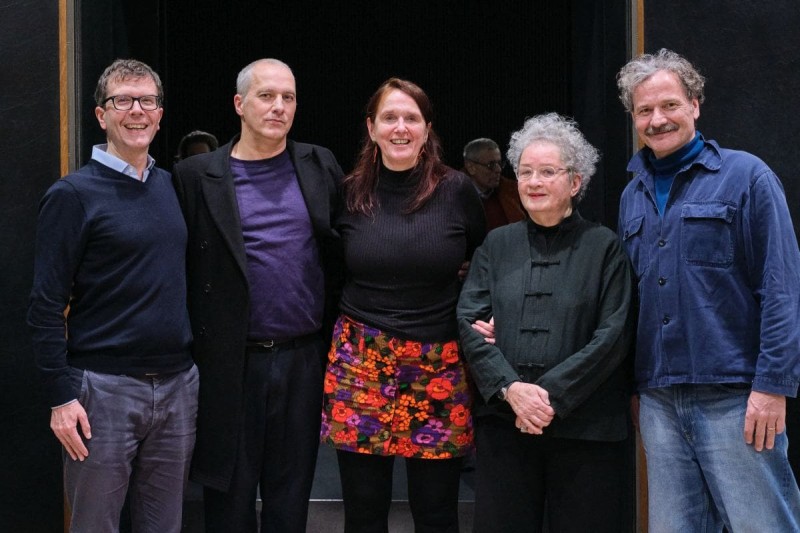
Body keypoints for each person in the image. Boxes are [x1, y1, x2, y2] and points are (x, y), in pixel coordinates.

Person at [616, 48, 800, 531]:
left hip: (737, 398)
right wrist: (636, 388)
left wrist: (772, 387)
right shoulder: (630, 194)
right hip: (658, 401)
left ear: (695, 104)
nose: (658, 119)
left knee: (762, 525)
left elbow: (780, 288)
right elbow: (632, 302)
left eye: (669, 105)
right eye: (644, 110)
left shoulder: (747, 177)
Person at [171, 58, 343, 532]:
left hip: (303, 357)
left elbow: (338, 253)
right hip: (229, 362)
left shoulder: (318, 163)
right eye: (267, 96)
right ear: (239, 104)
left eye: (288, 97)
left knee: (292, 499)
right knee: (229, 501)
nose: (279, 107)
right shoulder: (195, 175)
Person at [27, 59, 198, 532]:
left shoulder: (171, 187)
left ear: (160, 114)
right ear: (101, 115)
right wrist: (61, 398)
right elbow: (43, 307)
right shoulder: (73, 195)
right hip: (102, 391)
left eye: (147, 101)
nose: (136, 111)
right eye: (123, 100)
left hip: (178, 387)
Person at [320, 78, 486, 532]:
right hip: (361, 362)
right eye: (389, 117)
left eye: (411, 118)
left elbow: (484, 261)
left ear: (427, 128)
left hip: (438, 361)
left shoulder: (457, 191)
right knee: (364, 509)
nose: (400, 127)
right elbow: (332, 270)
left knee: (436, 511)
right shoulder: (348, 192)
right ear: (371, 127)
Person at [457, 112, 634, 532]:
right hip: (505, 425)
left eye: (548, 172)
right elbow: (469, 320)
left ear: (575, 182)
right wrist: (511, 390)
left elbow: (613, 335)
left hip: (586, 430)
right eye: (526, 172)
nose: (533, 181)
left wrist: (545, 397)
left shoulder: (604, 246)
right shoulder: (496, 244)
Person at [462, 137, 526, 230]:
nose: (498, 170)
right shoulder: (453, 194)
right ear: (471, 167)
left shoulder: (513, 190)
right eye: (491, 165)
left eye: (499, 163)